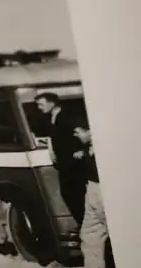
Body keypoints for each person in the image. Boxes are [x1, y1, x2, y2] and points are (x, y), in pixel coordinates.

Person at [34, 92, 86, 227]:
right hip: (63, 162)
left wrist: (82, 150)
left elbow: (81, 132)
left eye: (41, 104)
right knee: (68, 194)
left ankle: (85, 224)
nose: (39, 107)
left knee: (76, 194)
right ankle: (82, 223)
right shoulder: (49, 118)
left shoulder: (67, 115)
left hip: (74, 161)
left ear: (51, 103)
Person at [73, 122, 113, 268]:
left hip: (103, 191)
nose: (75, 134)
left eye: (78, 131)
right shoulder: (90, 148)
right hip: (92, 190)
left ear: (91, 131)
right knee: (89, 234)